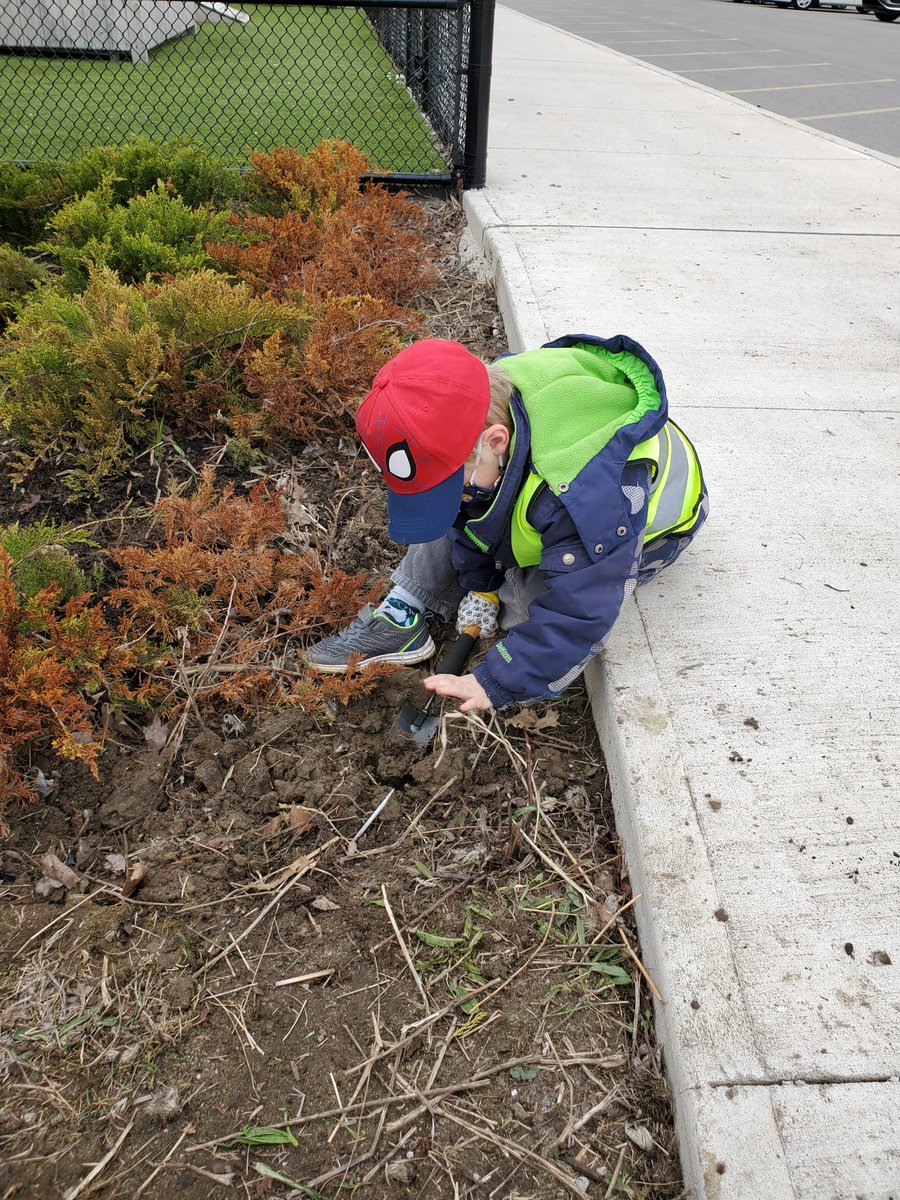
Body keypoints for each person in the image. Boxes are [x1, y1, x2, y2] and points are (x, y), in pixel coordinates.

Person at [304, 336, 708, 712]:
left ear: (495, 442)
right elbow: (471, 514)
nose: (456, 495)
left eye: (452, 483)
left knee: (529, 607)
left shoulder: (580, 489)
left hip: (641, 529)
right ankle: (407, 611)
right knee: (459, 506)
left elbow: (583, 610)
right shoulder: (478, 404)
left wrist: (497, 680)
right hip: (539, 488)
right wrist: (480, 584)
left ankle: (510, 618)